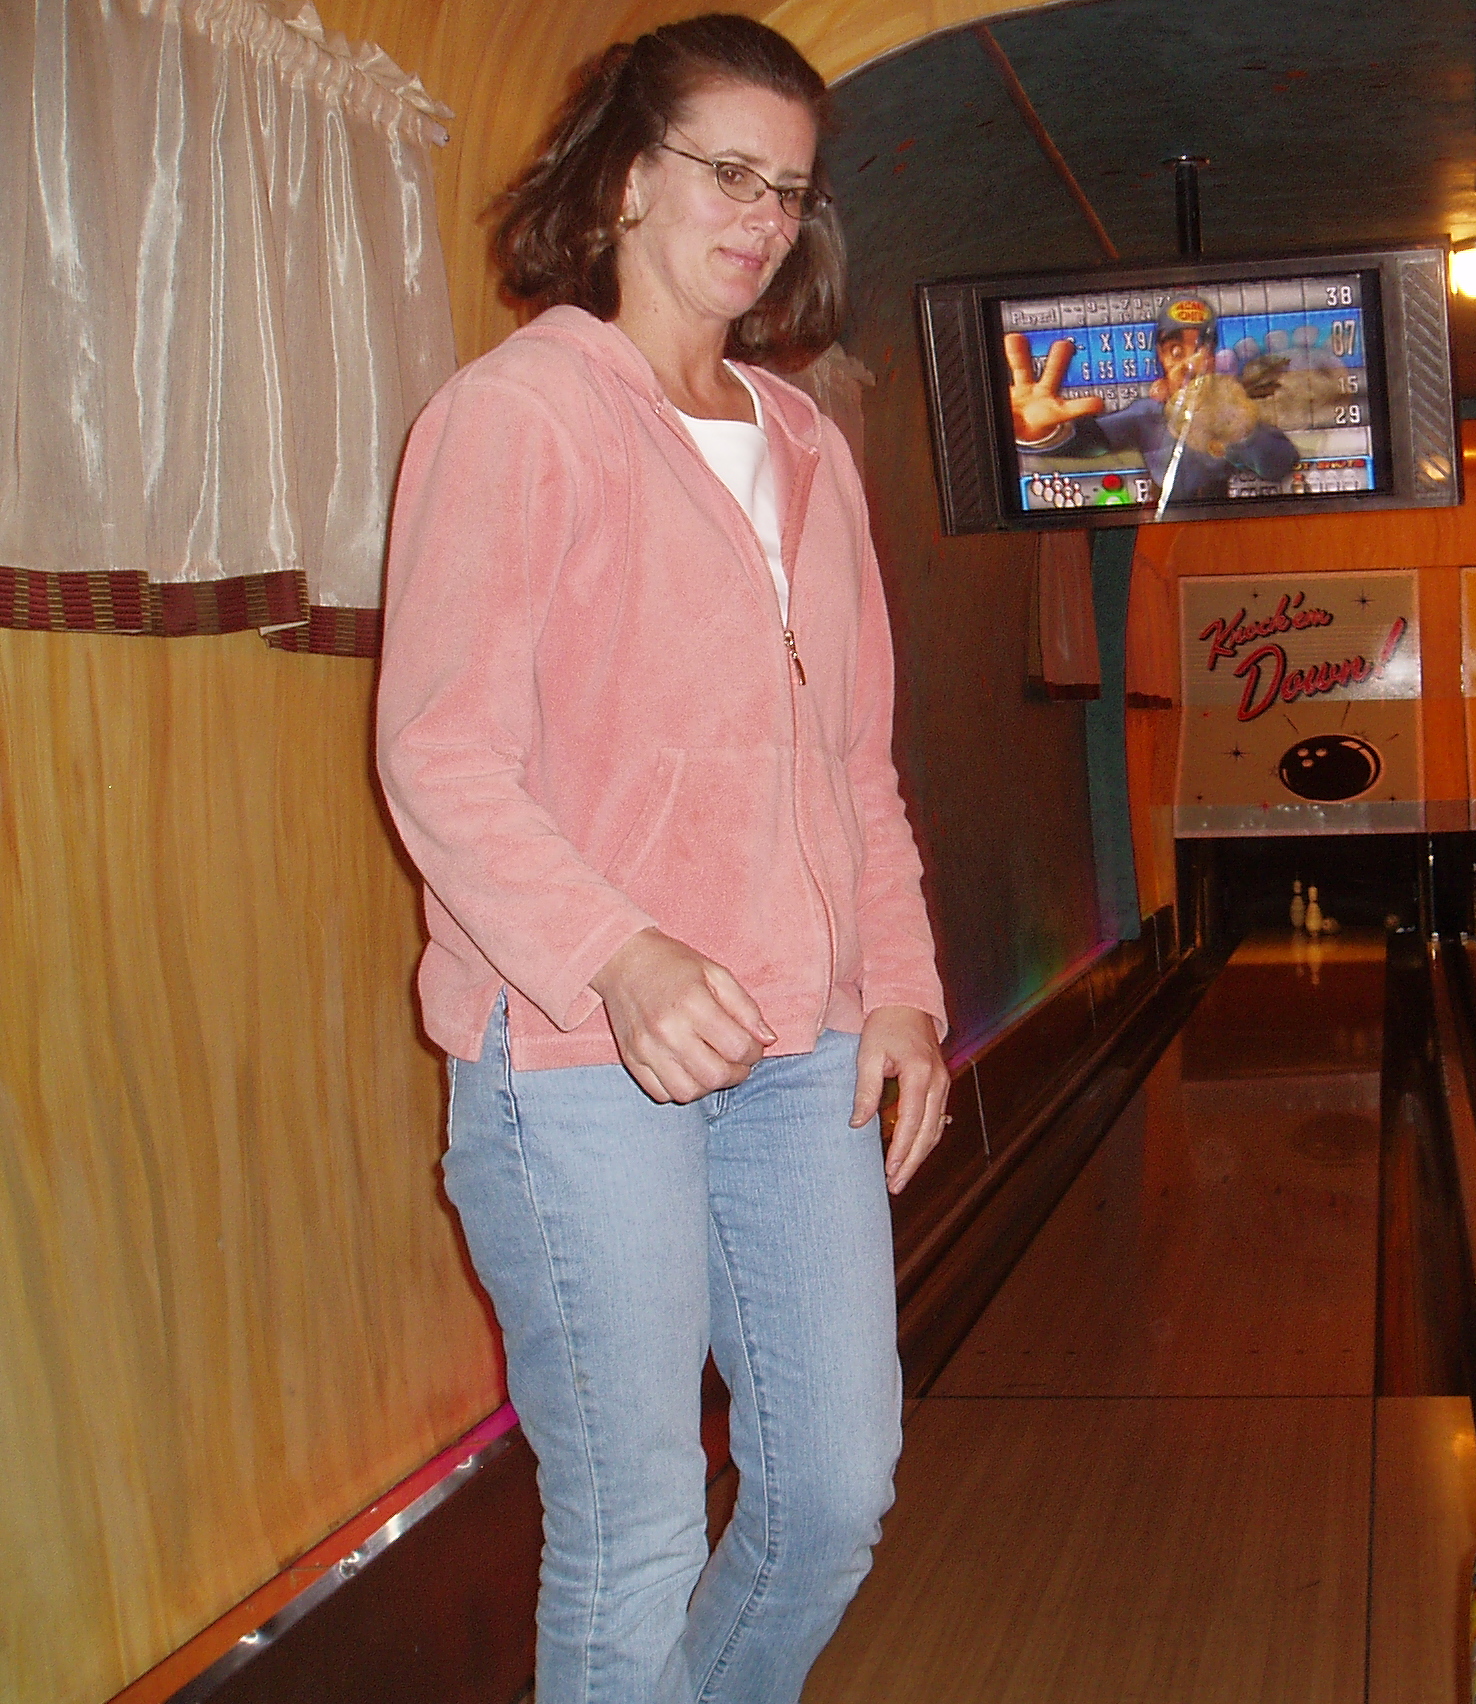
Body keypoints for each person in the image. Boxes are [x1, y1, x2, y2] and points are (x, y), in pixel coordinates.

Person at [374, 17, 948, 1702]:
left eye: (791, 188)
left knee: (832, 1491)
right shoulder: (517, 416)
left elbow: (854, 762)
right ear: (628, 180)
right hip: (574, 1055)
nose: (764, 217)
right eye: (728, 173)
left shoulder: (808, 444)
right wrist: (619, 951)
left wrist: (902, 994)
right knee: (630, 1529)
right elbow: (438, 754)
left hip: (799, 1047)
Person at [1005, 296, 1298, 504]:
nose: (1189, 364)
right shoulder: (1148, 415)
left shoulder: (1237, 410)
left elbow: (1279, 463)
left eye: (1200, 349)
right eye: (1176, 351)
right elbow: (1095, 439)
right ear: (1161, 356)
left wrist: (1241, 429)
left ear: (1213, 356)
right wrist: (1041, 433)